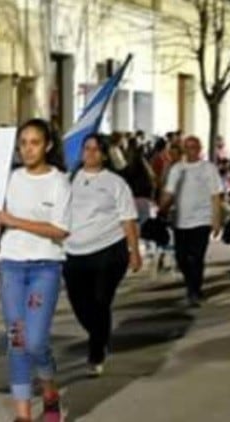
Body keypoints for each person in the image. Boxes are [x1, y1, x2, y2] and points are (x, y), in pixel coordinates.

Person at [0, 118, 71, 422]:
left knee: (36, 340)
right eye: (23, 143)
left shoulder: (58, 182)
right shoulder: (10, 179)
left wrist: (13, 221)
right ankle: (23, 416)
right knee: (17, 339)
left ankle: (49, 391)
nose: (28, 149)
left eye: (34, 142)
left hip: (45, 268)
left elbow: (60, 230)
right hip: (11, 266)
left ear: (48, 146)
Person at [63, 134, 141, 377]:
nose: (90, 153)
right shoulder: (69, 180)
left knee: (100, 300)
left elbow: (128, 219)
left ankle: (96, 352)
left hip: (108, 250)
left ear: (105, 154)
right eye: (87, 149)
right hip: (74, 251)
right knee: (80, 305)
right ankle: (100, 334)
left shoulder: (115, 183)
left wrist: (134, 252)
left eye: (96, 150)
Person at [160, 136, 222, 307]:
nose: (191, 150)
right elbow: (169, 193)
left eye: (194, 147)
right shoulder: (177, 169)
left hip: (202, 221)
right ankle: (191, 283)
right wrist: (161, 208)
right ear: (183, 150)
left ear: (200, 148)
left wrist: (216, 220)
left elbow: (216, 195)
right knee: (181, 258)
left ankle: (194, 290)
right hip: (180, 221)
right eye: (187, 147)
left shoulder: (208, 168)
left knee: (197, 257)